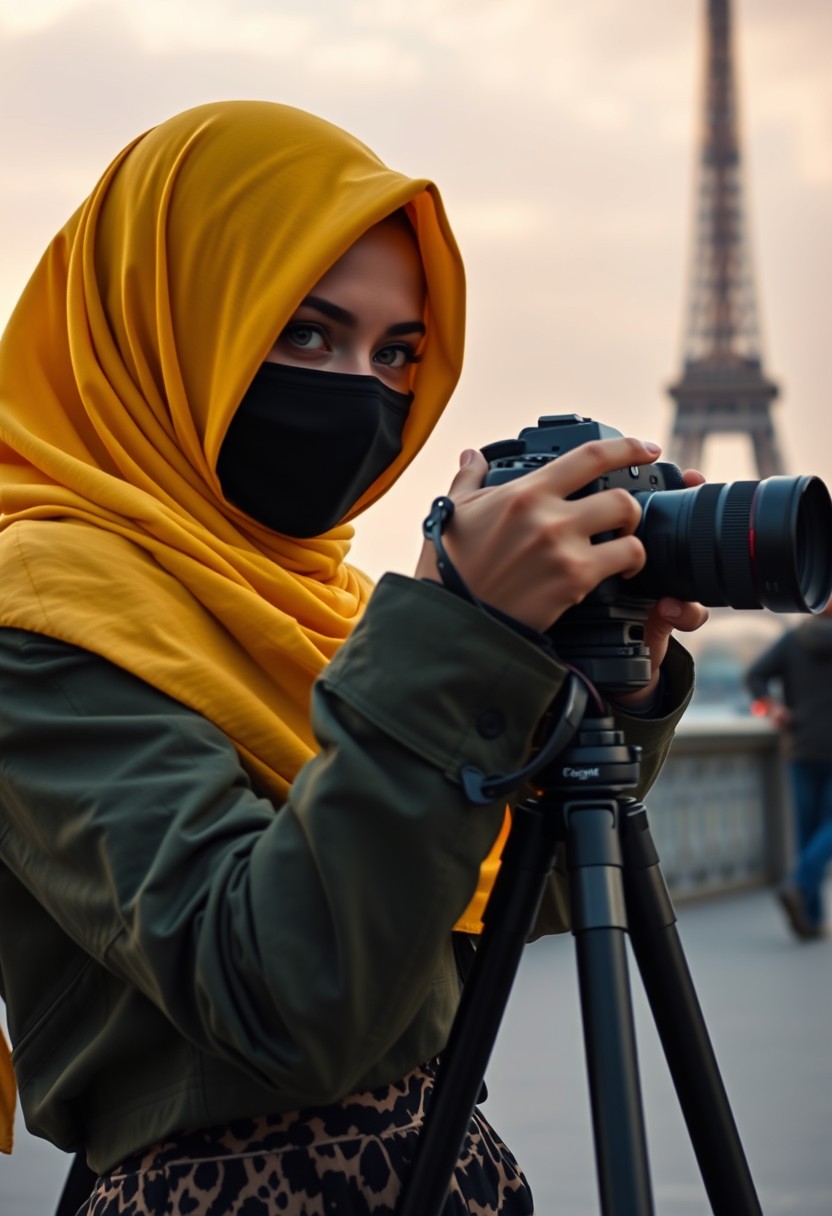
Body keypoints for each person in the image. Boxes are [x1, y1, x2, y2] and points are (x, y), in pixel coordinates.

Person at [0, 100, 706, 1215]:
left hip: (441, 1168)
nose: (362, 393)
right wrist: (458, 638)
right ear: (172, 324)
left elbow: (501, 892)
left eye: (398, 354)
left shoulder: (318, 602)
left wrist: (598, 688)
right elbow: (285, 992)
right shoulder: (37, 612)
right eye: (306, 334)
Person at [746, 599, 832, 941]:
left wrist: (773, 709)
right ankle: (799, 887)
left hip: (800, 745)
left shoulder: (795, 639)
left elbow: (755, 675)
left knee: (808, 830)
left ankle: (809, 918)